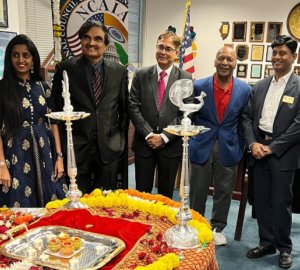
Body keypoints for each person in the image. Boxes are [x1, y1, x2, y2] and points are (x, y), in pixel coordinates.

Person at [242, 35, 299, 269]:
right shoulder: (261, 85)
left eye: (282, 53)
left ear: (294, 57)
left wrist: (271, 148)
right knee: (262, 202)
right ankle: (266, 242)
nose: (277, 57)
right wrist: (253, 144)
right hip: (257, 150)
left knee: (281, 202)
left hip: (282, 155)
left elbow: (299, 124)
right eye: (274, 52)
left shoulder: (298, 87)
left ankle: (284, 247)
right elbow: (246, 117)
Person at [52, 21, 128, 194]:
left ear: (106, 44)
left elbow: (124, 110)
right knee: (78, 202)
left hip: (109, 148)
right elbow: (56, 110)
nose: (91, 43)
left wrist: (119, 140)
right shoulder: (65, 69)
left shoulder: (119, 71)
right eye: (86, 37)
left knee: (105, 203)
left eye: (97, 39)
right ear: (80, 40)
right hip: (77, 149)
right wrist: (63, 147)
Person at [189, 46, 251, 245]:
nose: (225, 63)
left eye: (229, 60)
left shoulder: (245, 90)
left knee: (224, 190)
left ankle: (217, 228)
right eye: (221, 58)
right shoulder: (198, 86)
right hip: (201, 144)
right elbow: (188, 115)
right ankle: (196, 225)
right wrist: (192, 140)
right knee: (198, 189)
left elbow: (245, 121)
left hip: (229, 147)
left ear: (235, 63)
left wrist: (240, 146)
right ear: (215, 61)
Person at [0, 34, 67, 207]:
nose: (21, 60)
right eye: (16, 55)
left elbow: (54, 122)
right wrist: (1, 165)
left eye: (26, 55)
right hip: (15, 155)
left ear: (33, 59)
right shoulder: (2, 88)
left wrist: (59, 156)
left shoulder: (43, 87)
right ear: (10, 58)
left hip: (45, 151)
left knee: (51, 198)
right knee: (18, 203)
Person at [128, 31, 192, 199]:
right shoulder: (141, 75)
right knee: (142, 196)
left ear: (176, 53)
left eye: (168, 49)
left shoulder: (185, 78)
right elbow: (133, 106)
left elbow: (185, 114)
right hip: (144, 144)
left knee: (165, 197)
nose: (163, 52)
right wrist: (149, 134)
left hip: (170, 147)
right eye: (160, 47)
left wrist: (164, 137)